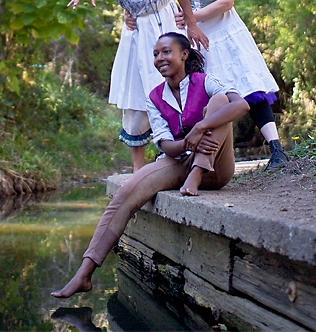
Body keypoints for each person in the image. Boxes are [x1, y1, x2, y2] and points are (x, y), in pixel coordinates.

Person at [51, 32, 249, 298]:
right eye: (156, 54)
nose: (160, 58)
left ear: (184, 54)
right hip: (179, 159)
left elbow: (242, 105)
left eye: (166, 52)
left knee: (221, 103)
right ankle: (84, 272)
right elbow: (166, 145)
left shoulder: (205, 81)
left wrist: (201, 127)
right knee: (126, 193)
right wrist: (188, 145)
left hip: (217, 168)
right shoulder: (154, 97)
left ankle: (199, 172)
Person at [125, 0, 288, 170]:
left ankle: (277, 150)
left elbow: (226, 0)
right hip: (187, 36)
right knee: (187, 92)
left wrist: (191, 16)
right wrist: (130, 9)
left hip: (222, 30)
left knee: (248, 86)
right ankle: (179, 154)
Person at [68, 0, 209, 172]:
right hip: (142, 37)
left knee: (187, 86)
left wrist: (190, 22)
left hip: (171, 25)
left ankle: (188, 156)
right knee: (141, 97)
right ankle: (138, 171)